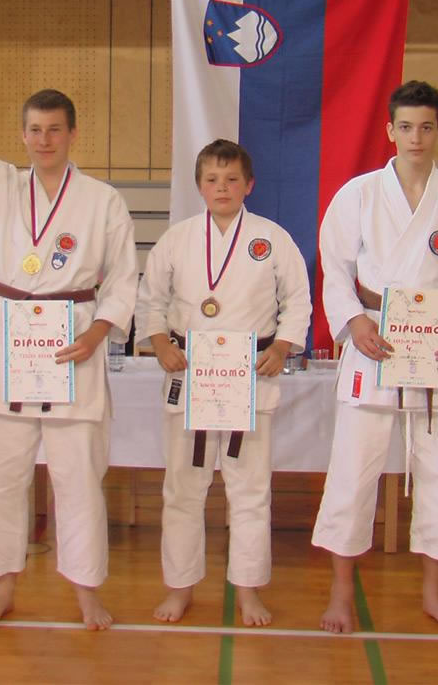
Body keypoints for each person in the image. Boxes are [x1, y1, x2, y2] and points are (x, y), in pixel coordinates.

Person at [0, 18, 138, 631]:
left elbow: (124, 278)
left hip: (75, 342)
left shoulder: (102, 200)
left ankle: (86, 590)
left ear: (73, 133)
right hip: (10, 342)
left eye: (54, 130)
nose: (44, 140)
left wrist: (98, 333)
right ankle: (2, 588)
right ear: (22, 135)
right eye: (35, 130)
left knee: (79, 479)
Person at [311, 81, 438, 634]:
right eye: (406, 127)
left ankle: (434, 594)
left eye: (426, 127)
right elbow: (334, 269)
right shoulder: (359, 194)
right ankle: (341, 593)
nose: (415, 137)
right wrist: (354, 322)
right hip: (374, 342)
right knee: (352, 472)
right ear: (389, 130)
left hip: (435, 348)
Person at [135, 139, 311, 626]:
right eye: (212, 179)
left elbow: (298, 300)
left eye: (232, 179)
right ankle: (180, 586)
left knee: (250, 492)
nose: (222, 188)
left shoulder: (272, 238)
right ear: (199, 186)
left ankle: (248, 591)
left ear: (249, 185)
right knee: (182, 490)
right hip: (190, 373)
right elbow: (150, 299)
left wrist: (282, 348)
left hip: (249, 377)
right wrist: (160, 344)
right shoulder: (177, 239)